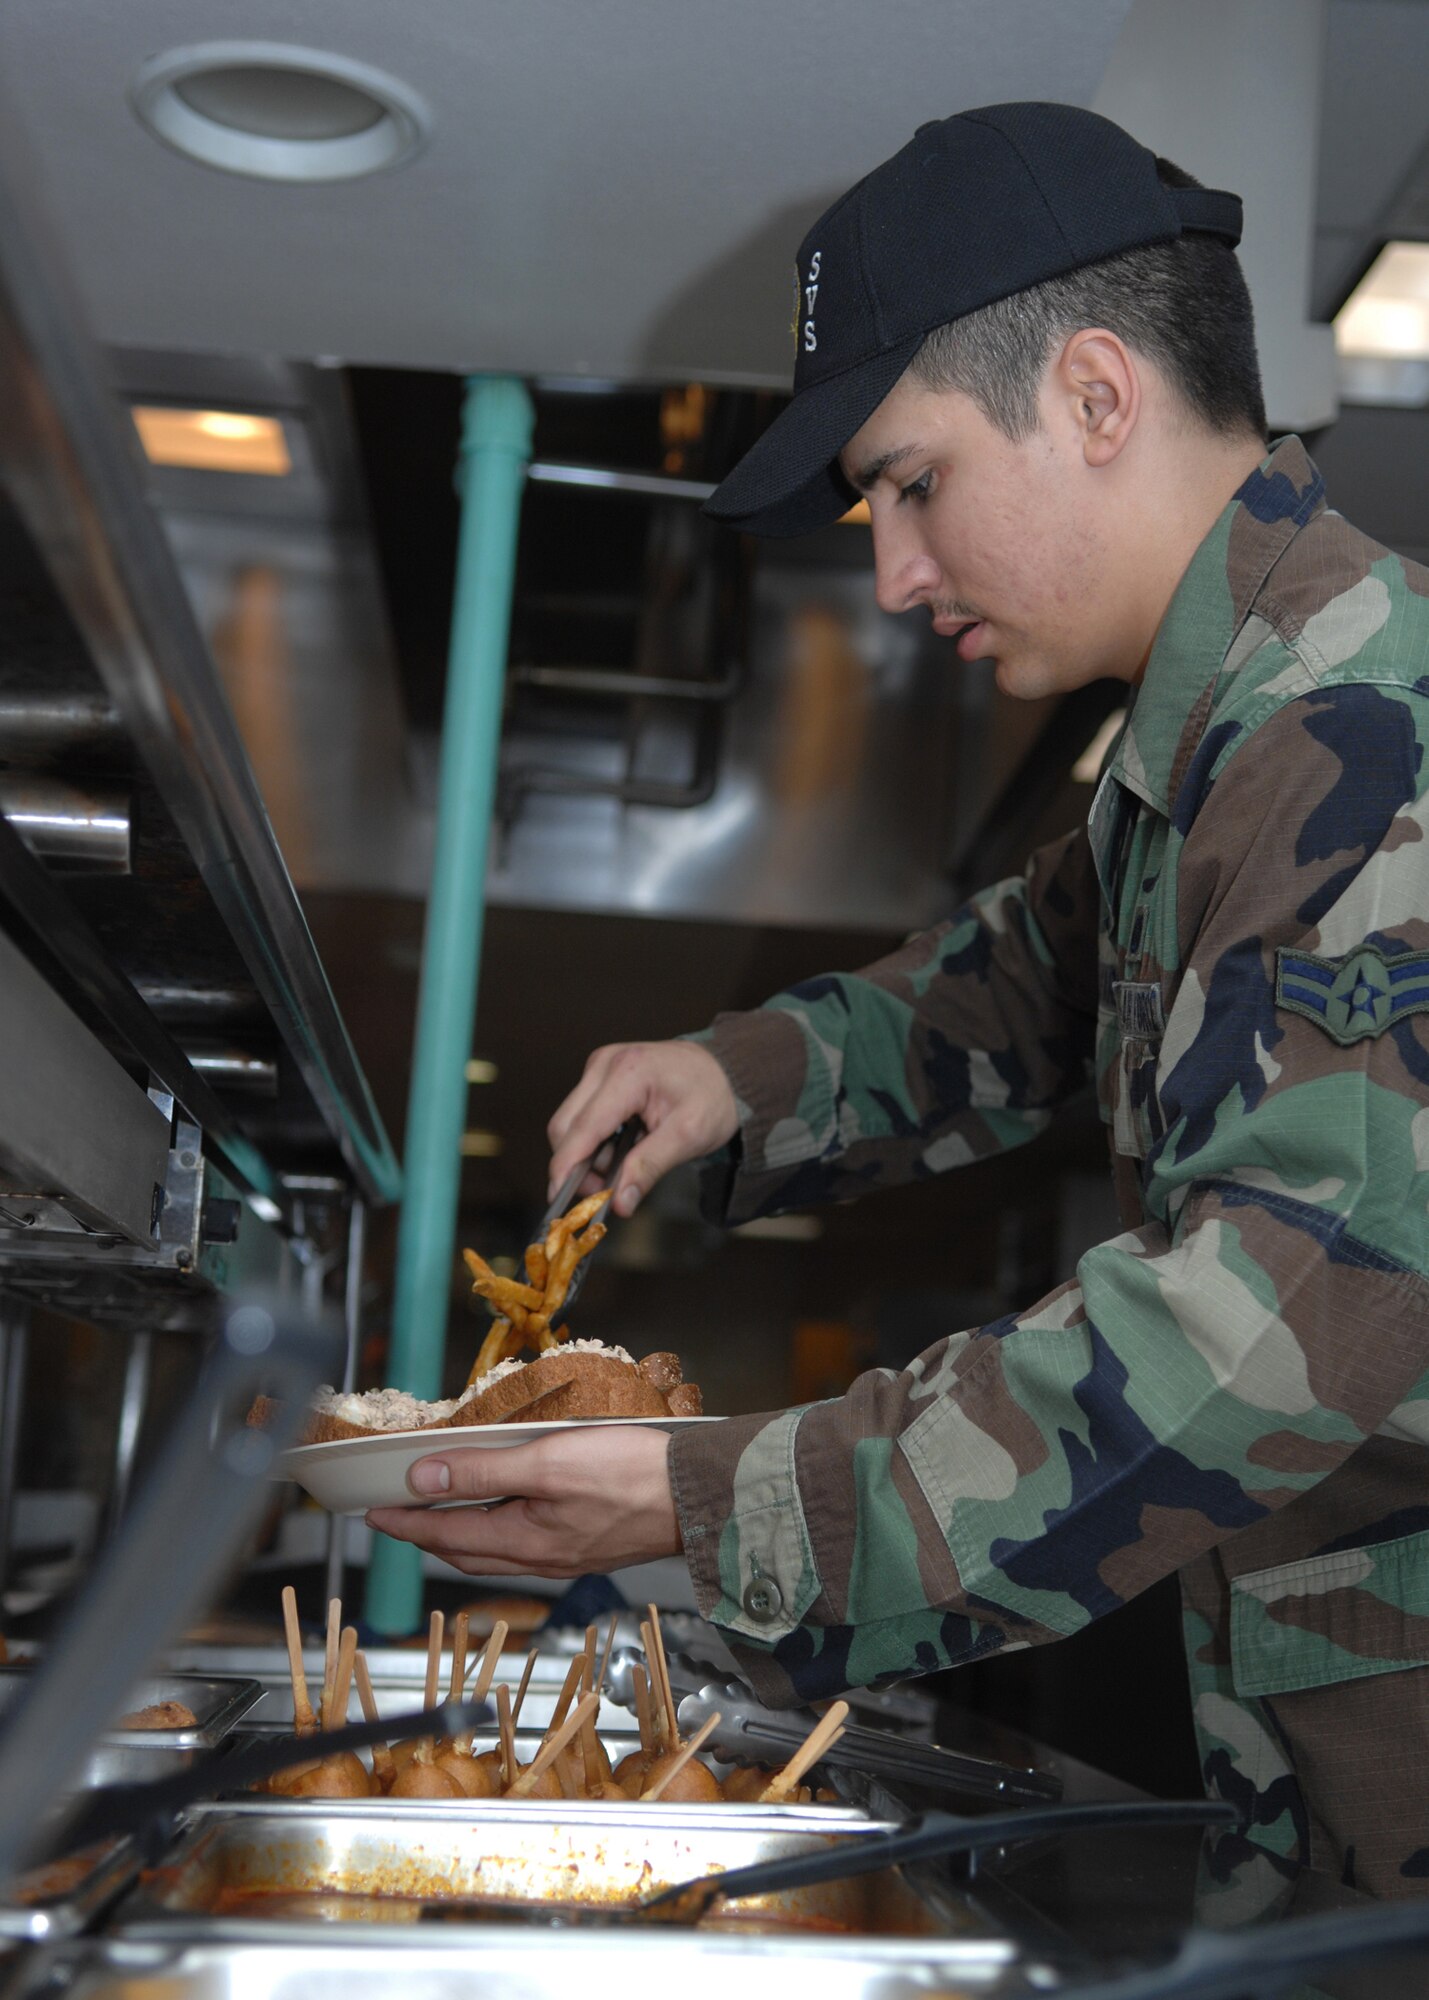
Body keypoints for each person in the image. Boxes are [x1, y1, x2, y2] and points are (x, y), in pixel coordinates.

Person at [368, 102, 1429, 1897]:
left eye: (911, 482)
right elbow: (1020, 983)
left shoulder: (1365, 737)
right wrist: (733, 1079)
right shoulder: (1208, 751)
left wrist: (705, 1505)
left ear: (1097, 398)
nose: (891, 573)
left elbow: (1245, 1351)